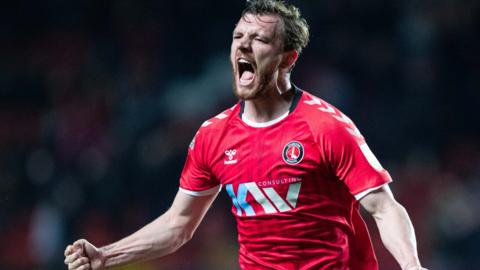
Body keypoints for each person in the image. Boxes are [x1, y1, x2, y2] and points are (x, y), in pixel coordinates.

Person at [64, 1, 427, 269]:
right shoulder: (213, 136)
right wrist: (106, 255)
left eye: (259, 39)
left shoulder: (326, 127)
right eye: (239, 36)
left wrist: (411, 266)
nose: (243, 45)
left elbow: (384, 208)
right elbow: (178, 225)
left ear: (288, 58)